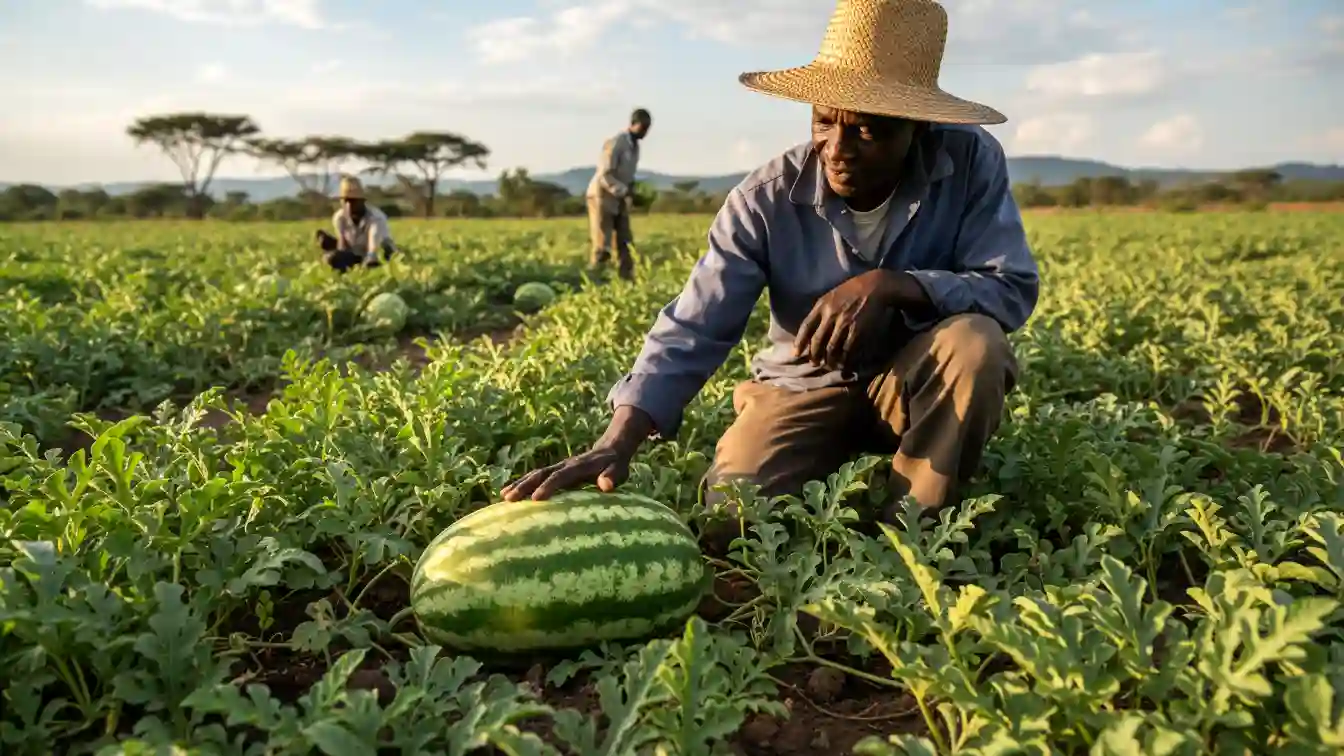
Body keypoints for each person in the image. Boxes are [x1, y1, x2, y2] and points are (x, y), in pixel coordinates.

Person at [503, 0, 1040, 550]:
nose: (838, 150)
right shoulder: (764, 200)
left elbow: (1010, 286)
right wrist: (619, 437)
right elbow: (695, 325)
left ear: (918, 126)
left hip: (909, 384)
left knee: (976, 345)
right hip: (802, 386)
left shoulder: (970, 162)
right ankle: (801, 442)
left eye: (867, 131)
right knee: (734, 522)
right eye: (824, 121)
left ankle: (910, 532)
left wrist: (896, 284)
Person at [585, 108, 652, 280]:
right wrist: (624, 191)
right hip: (602, 197)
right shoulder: (617, 142)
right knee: (602, 245)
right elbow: (604, 175)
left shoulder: (635, 146)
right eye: (642, 127)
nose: (645, 132)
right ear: (632, 124)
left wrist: (635, 193)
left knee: (625, 243)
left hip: (619, 198)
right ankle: (595, 281)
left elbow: (626, 175)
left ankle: (627, 280)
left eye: (647, 128)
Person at [314, 176, 397, 272]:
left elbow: (373, 248)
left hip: (379, 254)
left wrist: (369, 261)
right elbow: (343, 245)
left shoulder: (376, 218)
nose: (349, 205)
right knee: (329, 252)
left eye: (353, 201)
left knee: (380, 257)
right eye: (346, 201)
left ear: (362, 201)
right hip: (357, 252)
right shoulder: (339, 217)